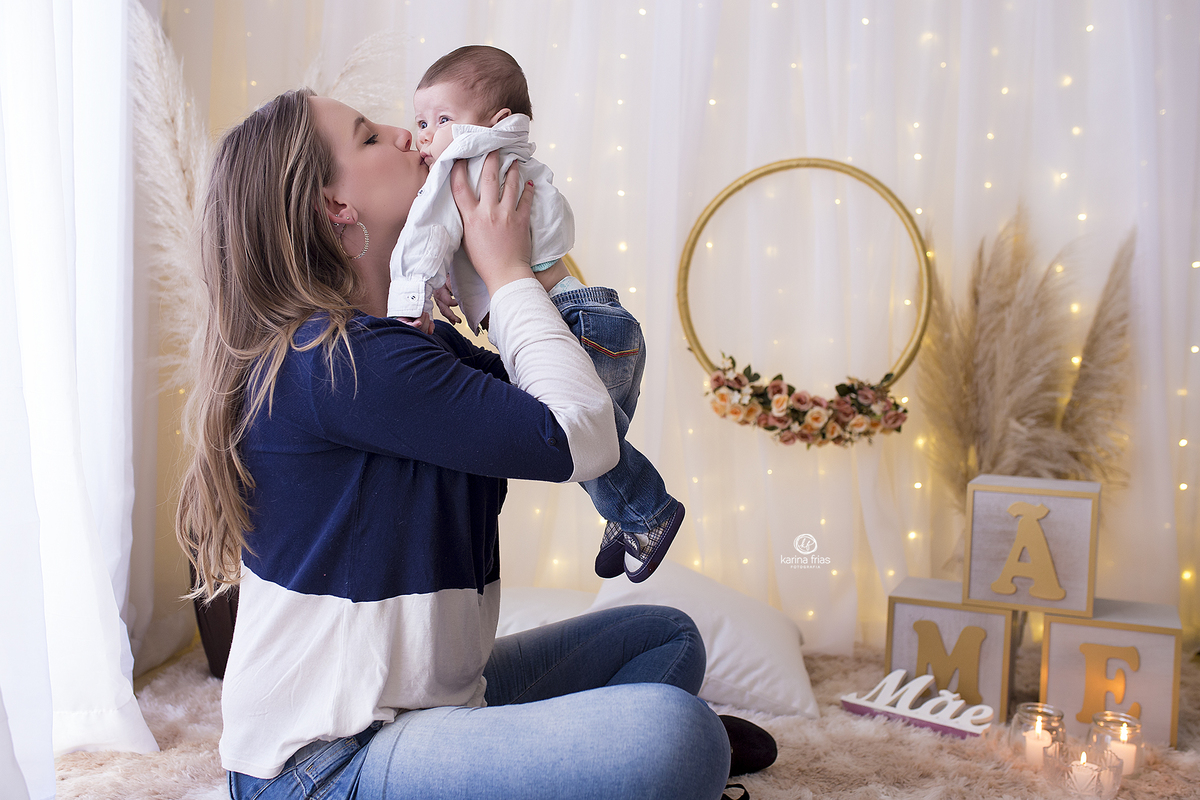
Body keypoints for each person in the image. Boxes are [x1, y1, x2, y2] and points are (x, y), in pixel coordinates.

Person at [174, 87, 733, 799]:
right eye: (370, 137)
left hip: (437, 704)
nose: (407, 137)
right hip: (325, 766)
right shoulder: (337, 362)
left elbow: (582, 394)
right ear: (334, 206)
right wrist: (505, 276)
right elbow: (579, 438)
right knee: (678, 735)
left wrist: (493, 278)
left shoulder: (403, 346)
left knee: (666, 639)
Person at [388, 44, 684, 583]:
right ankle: (626, 517)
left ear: (496, 122)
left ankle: (649, 513)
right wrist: (454, 278)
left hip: (570, 324)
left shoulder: (464, 162)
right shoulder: (510, 157)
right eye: (421, 121)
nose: (426, 135)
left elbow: (427, 231)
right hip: (601, 318)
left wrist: (413, 294)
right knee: (603, 445)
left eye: (442, 119)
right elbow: (473, 239)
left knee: (584, 448)